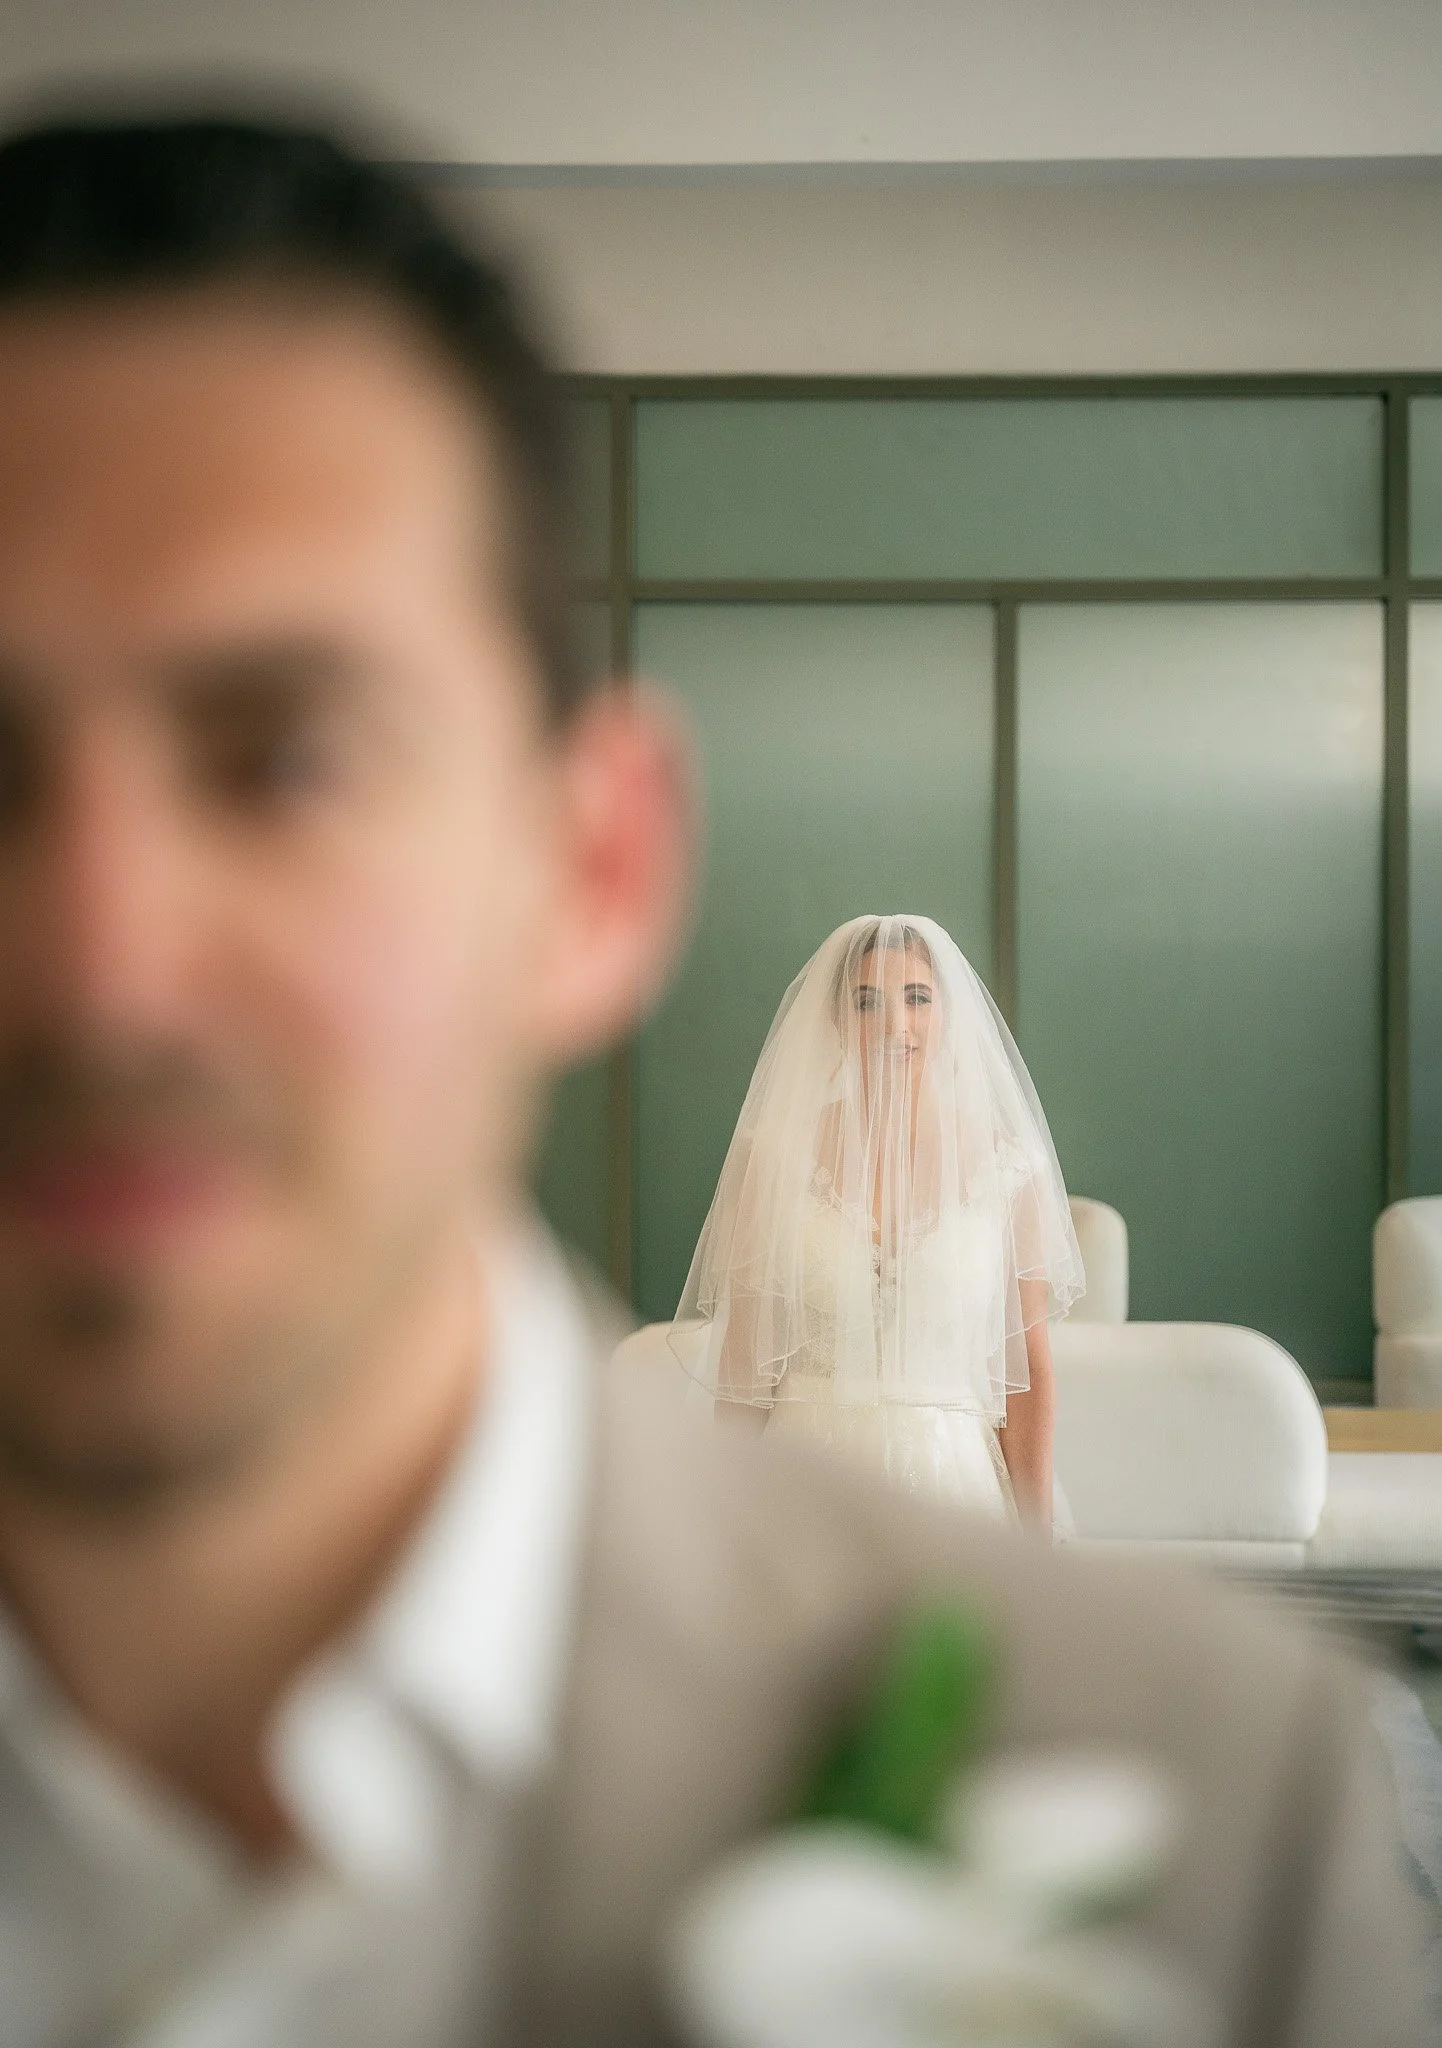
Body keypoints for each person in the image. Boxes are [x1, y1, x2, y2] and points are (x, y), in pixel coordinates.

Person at [0, 110, 1424, 2048]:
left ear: (594, 869)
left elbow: (1015, 1374)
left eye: (286, 761)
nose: (101, 967)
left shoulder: (1202, 1793)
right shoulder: (797, 1174)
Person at [671, 914, 1082, 1530]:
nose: (896, 1025)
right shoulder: (775, 1158)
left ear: (947, 1013)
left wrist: (1036, 1533)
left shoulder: (1008, 1169)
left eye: (916, 998)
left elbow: (1027, 1372)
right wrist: (724, 1518)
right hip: (803, 1481)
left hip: (952, 1486)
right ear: (837, 1019)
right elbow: (744, 1365)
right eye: (867, 1003)